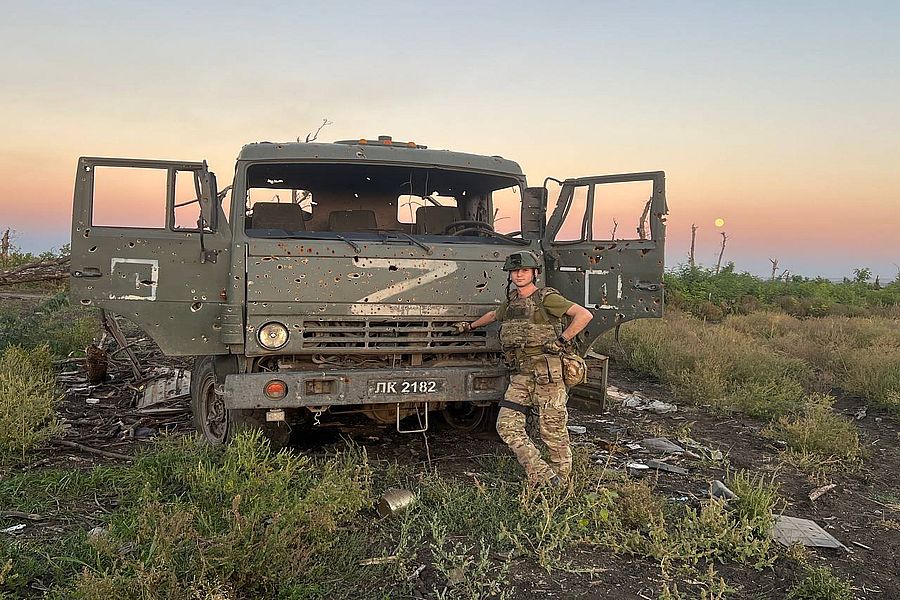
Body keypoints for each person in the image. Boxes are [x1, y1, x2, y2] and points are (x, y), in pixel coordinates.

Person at [452, 251, 593, 486]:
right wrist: (469, 326)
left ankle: (563, 484)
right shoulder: (512, 303)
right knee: (506, 426)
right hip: (521, 375)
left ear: (534, 273)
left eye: (524, 270)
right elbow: (493, 315)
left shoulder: (546, 298)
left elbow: (583, 315)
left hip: (548, 375)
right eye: (515, 271)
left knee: (553, 432)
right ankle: (544, 475)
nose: (519, 274)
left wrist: (561, 341)